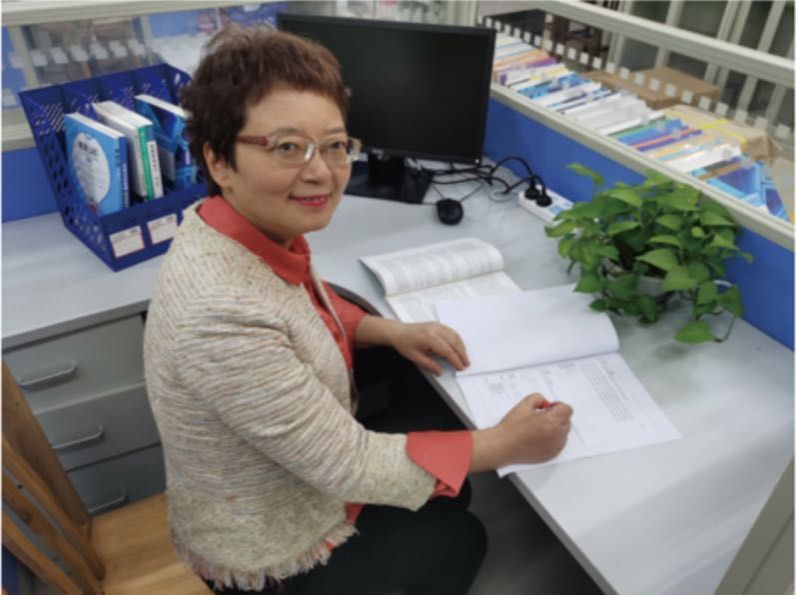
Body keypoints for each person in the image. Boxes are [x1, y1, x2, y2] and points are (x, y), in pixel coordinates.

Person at [143, 25, 573, 595]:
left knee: (451, 481)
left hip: (290, 472)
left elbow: (295, 310)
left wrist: (385, 330)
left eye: (335, 145)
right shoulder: (219, 312)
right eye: (287, 147)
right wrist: (508, 445)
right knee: (460, 535)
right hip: (269, 542)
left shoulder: (237, 227)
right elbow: (348, 465)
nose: (321, 172)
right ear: (219, 160)